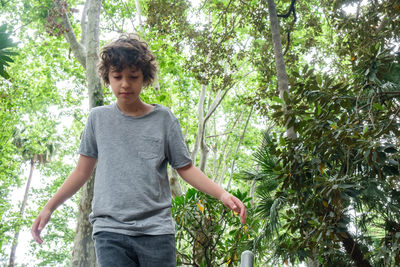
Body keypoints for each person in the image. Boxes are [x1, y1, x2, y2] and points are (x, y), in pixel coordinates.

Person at [31, 34, 246, 267]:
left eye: (133, 77)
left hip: (156, 232)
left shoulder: (164, 119)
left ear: (144, 78)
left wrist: (223, 195)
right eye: (117, 76)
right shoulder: (97, 119)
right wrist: (49, 207)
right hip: (110, 231)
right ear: (107, 78)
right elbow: (82, 171)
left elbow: (186, 168)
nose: (125, 84)